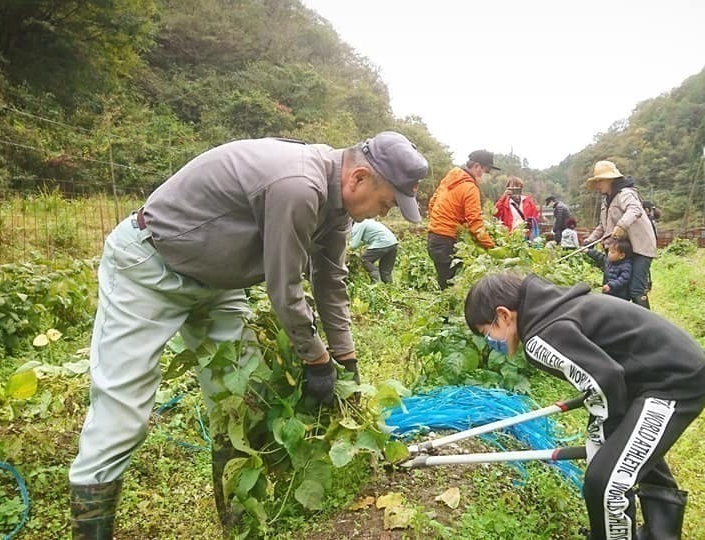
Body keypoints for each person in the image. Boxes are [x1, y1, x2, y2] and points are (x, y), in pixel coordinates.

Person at [68, 131, 429, 539]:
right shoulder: (298, 185)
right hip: (150, 267)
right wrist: (316, 358)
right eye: (386, 204)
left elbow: (329, 280)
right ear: (359, 179)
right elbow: (285, 288)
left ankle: (239, 527)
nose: (381, 215)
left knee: (242, 401)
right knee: (123, 415)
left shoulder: (338, 208)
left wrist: (346, 359)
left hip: (218, 285)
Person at [464, 272, 705, 540]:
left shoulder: (540, 339)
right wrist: (605, 435)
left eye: (486, 332)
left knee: (604, 482)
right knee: (628, 456)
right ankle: (660, 534)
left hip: (674, 382)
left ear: (503, 315)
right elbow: (604, 381)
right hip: (660, 371)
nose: (490, 340)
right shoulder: (553, 307)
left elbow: (604, 382)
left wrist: (601, 438)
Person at [583, 161, 657, 309]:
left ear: (611, 180)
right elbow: (603, 226)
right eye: (597, 181)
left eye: (601, 181)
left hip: (640, 247)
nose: (598, 185)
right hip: (622, 249)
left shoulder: (626, 194)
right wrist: (589, 240)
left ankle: (646, 325)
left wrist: (622, 225)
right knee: (615, 288)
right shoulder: (606, 200)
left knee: (636, 289)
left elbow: (635, 209)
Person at [426, 149, 498, 289]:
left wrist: (440, 222)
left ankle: (445, 308)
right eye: (486, 171)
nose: (484, 176)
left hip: (434, 238)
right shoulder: (470, 188)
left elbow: (432, 203)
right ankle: (449, 310)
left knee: (445, 280)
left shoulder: (450, 178)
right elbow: (475, 224)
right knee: (452, 284)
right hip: (447, 241)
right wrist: (491, 247)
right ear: (477, 166)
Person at [350, 218, 399, 283]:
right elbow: (366, 238)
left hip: (382, 241)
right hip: (393, 243)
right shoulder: (368, 221)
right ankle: (389, 289)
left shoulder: (358, 224)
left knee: (365, 259)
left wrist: (346, 249)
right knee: (385, 271)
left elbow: (353, 245)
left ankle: (375, 281)